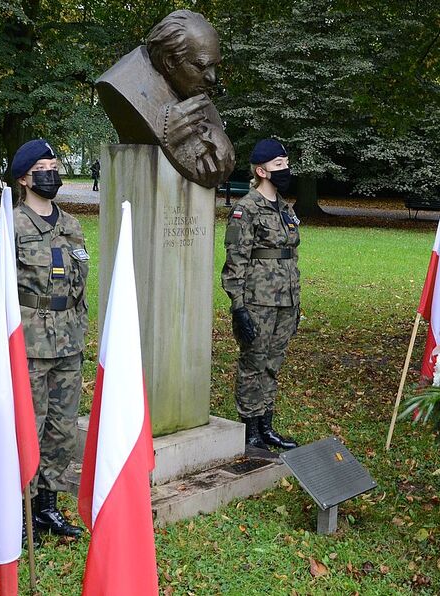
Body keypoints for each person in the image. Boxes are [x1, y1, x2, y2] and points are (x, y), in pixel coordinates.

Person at [0, 139, 90, 542]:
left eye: (55, 164)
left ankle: (47, 508)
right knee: (27, 427)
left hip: (68, 343)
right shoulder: (9, 225)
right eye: (42, 166)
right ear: (24, 177)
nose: (51, 172)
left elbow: (79, 286)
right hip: (29, 345)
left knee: (60, 428)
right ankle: (20, 511)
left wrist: (79, 326)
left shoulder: (72, 225)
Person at [221, 139, 301, 452]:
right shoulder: (246, 209)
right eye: (278, 164)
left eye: (286, 163)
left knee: (273, 364)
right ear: (261, 170)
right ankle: (250, 428)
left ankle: (267, 425)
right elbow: (235, 261)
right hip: (257, 302)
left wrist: (296, 299)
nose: (286, 169)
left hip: (285, 301)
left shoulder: (285, 208)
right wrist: (238, 307)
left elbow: (290, 257)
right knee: (253, 363)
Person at [95, 9, 234, 188]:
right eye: (201, 66)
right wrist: (161, 128)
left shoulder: (194, 93)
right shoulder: (121, 83)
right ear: (169, 61)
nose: (212, 77)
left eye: (214, 66)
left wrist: (217, 136)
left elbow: (215, 170)